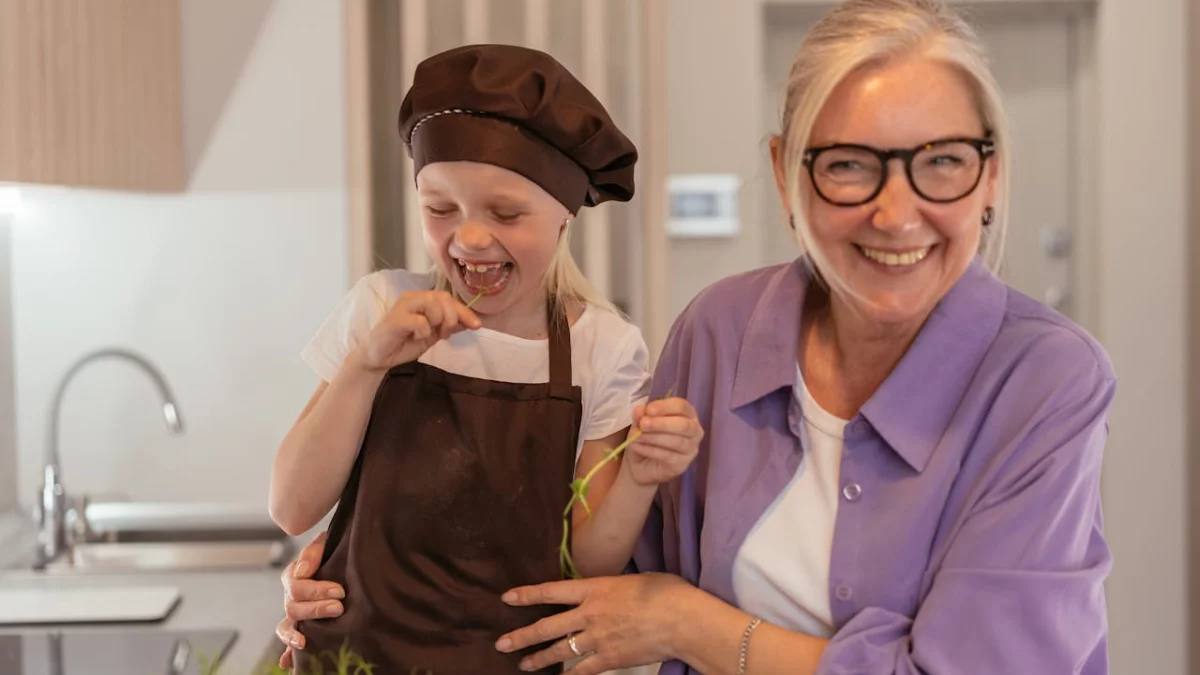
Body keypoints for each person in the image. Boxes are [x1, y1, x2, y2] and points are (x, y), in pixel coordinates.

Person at [277, 1, 1116, 673]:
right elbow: (588, 573)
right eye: (849, 164)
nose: (895, 212)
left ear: (992, 173)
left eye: (941, 161)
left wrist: (689, 623)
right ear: (788, 173)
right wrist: (368, 578)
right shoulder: (720, 331)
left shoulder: (1045, 381)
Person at [268, 43, 704, 674]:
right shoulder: (378, 307)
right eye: (440, 208)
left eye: (506, 212)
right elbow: (292, 507)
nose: (469, 238)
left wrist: (640, 474)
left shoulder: (601, 349)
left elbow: (587, 565)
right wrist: (365, 367)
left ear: (562, 219)